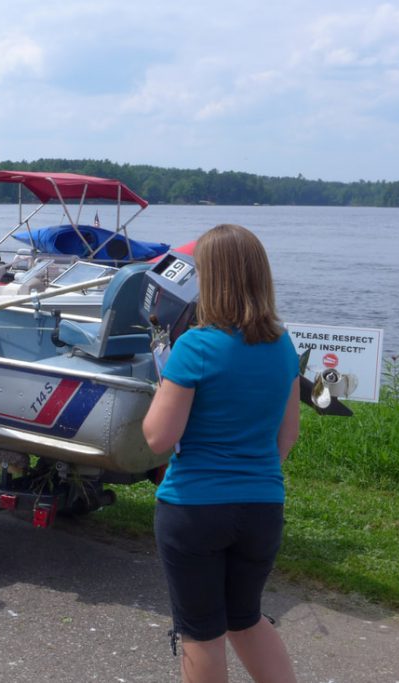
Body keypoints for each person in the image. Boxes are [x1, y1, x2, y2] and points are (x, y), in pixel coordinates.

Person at [142, 223, 300, 683]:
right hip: (262, 507)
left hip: (195, 509)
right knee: (245, 617)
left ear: (209, 279)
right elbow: (285, 438)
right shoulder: (282, 345)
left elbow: (158, 438)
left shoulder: (196, 345)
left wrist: (162, 389)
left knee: (201, 632)